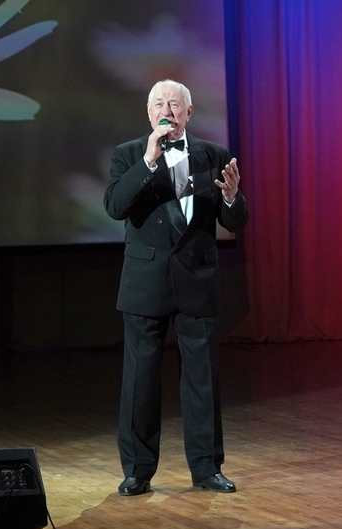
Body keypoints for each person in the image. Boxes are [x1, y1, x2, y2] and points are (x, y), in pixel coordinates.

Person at [104, 80, 249, 496]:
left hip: (196, 280)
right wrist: (148, 162)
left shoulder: (214, 155)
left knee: (202, 379)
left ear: (188, 112)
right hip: (145, 282)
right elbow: (115, 207)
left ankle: (207, 468)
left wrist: (232, 198)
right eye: (158, 104)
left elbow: (234, 221)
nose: (165, 110)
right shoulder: (129, 154)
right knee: (140, 381)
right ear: (149, 113)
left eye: (173, 104)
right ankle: (137, 470)